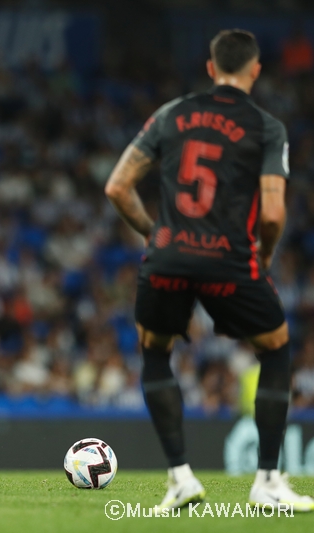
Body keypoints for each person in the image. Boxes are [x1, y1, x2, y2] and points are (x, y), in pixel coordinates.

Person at [105, 29, 314, 512]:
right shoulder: (266, 127)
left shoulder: (171, 115)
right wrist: (262, 257)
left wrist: (153, 232)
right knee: (277, 350)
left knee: (154, 351)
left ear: (210, 68)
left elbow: (117, 187)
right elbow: (275, 213)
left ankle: (180, 477)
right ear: (255, 71)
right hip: (229, 260)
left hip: (168, 256)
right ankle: (266, 480)